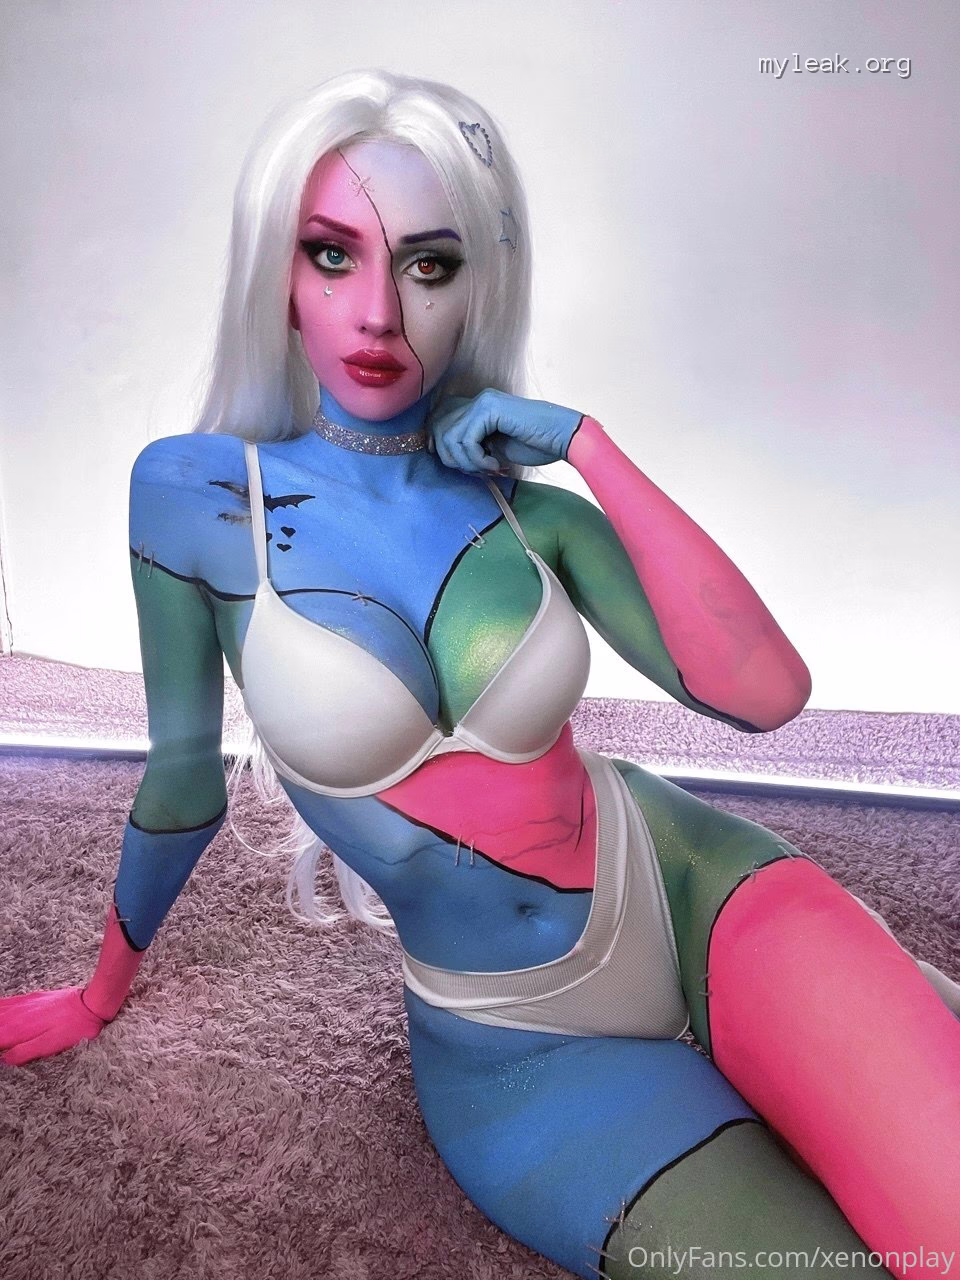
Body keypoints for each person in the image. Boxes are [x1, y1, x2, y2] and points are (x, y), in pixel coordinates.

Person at [2, 69, 958, 1280]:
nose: (378, 313)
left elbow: (765, 693)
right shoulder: (196, 494)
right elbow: (183, 778)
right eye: (333, 254)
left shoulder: (525, 508)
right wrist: (100, 991)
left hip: (688, 884)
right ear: (276, 272)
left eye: (429, 264)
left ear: (476, 284)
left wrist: (589, 446)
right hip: (518, 1042)